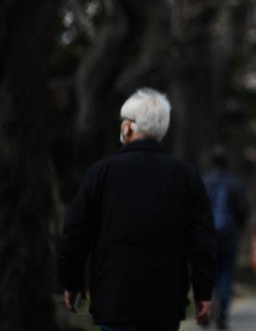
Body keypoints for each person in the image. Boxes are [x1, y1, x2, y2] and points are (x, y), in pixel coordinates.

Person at [59, 88, 216, 331]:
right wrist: (203, 292)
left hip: (113, 298)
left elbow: (75, 232)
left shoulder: (102, 173)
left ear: (128, 127)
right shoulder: (184, 175)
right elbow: (202, 239)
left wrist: (73, 281)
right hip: (164, 300)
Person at [203, 146, 249, 329]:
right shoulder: (234, 183)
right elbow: (243, 210)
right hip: (228, 233)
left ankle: (206, 309)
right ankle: (222, 315)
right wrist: (238, 227)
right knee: (226, 274)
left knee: (206, 274)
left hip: (206, 235)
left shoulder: (203, 182)